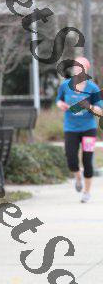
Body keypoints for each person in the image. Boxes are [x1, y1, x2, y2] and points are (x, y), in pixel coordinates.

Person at [55, 56, 103, 202]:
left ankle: (86, 192)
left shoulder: (93, 88)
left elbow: (100, 110)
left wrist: (89, 106)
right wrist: (61, 105)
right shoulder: (65, 85)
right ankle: (78, 177)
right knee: (71, 159)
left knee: (87, 160)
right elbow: (58, 100)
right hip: (70, 128)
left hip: (88, 129)